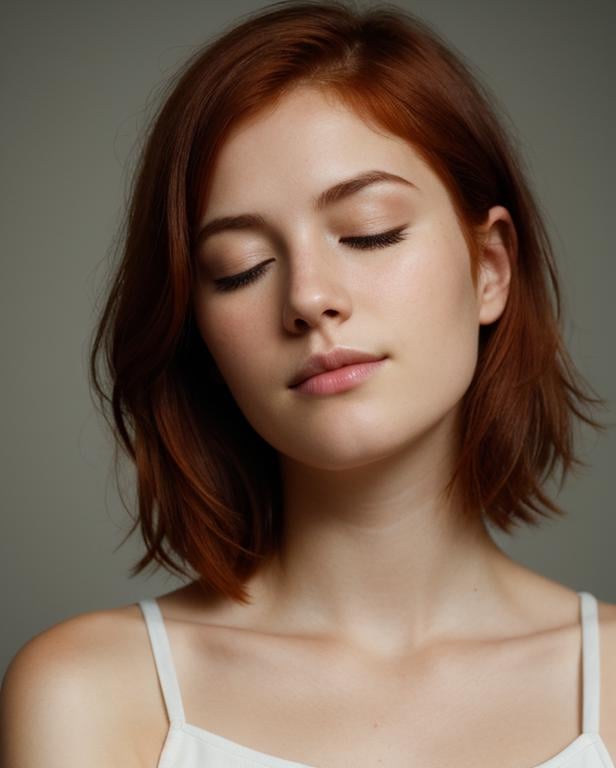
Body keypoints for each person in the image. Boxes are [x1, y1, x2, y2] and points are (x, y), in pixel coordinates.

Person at [1, 1, 614, 766]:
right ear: (197, 330)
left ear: (490, 269)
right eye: (240, 270)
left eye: (370, 232)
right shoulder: (90, 693)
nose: (307, 297)